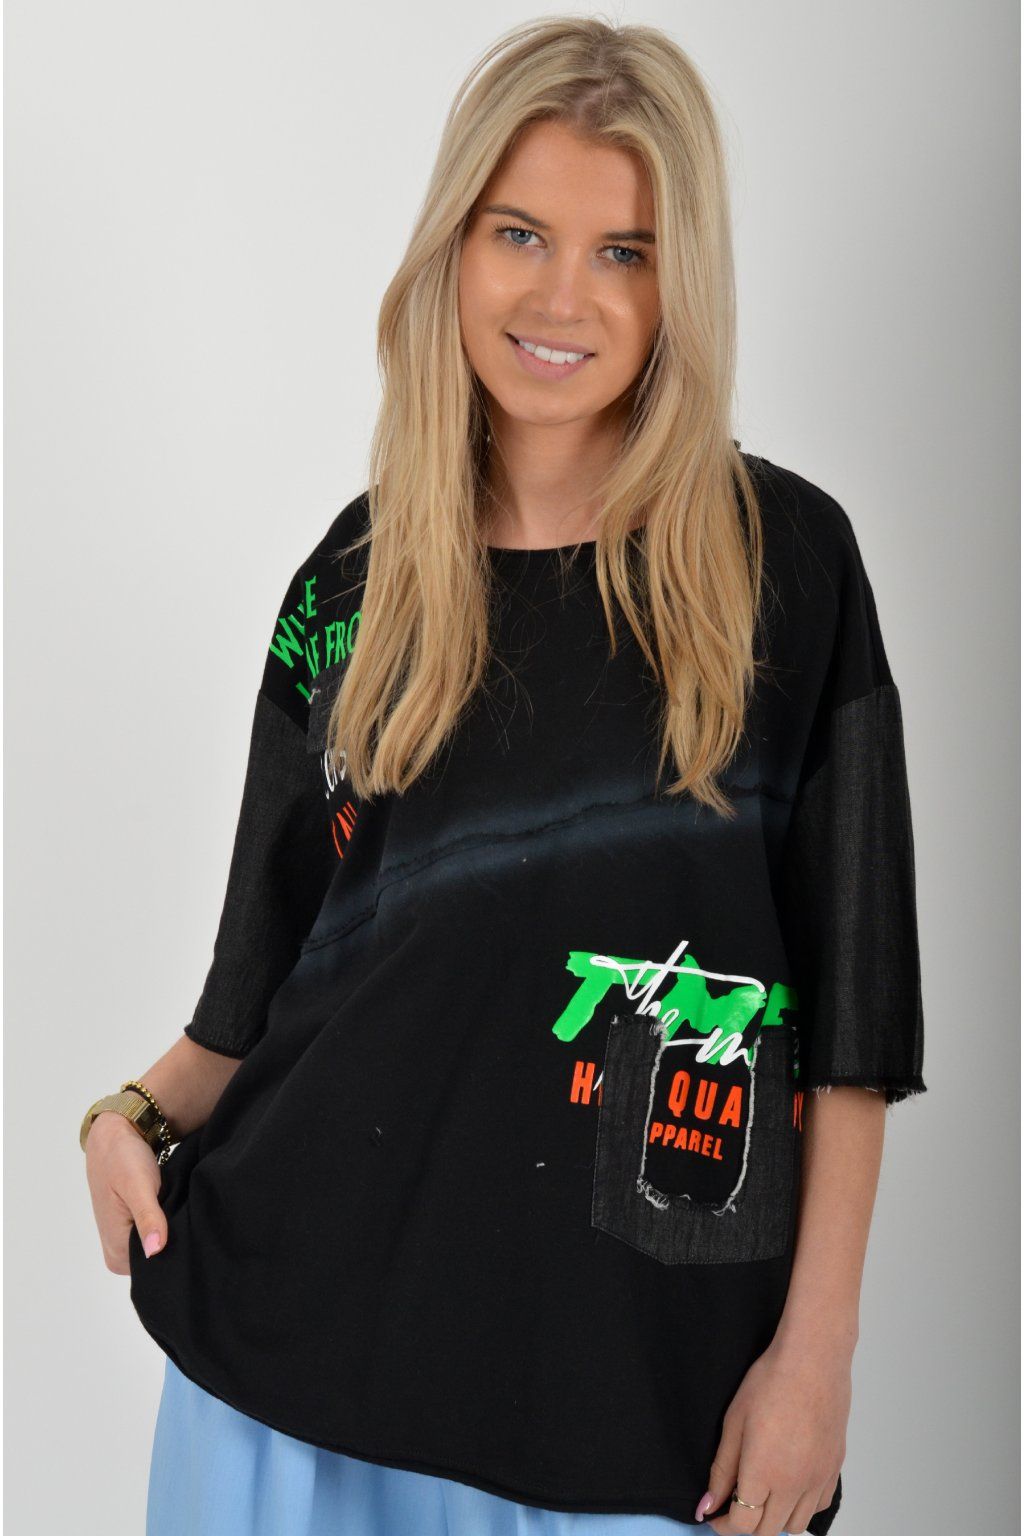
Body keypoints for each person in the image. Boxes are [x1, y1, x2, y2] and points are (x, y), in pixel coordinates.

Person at [80, 17, 927, 1536]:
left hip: (636, 1399)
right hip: (292, 1378)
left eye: (624, 252)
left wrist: (819, 1357)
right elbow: (258, 986)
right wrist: (129, 1114)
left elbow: (853, 1024)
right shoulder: (353, 581)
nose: (561, 298)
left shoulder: (785, 569)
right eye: (519, 233)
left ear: (681, 284)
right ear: (454, 249)